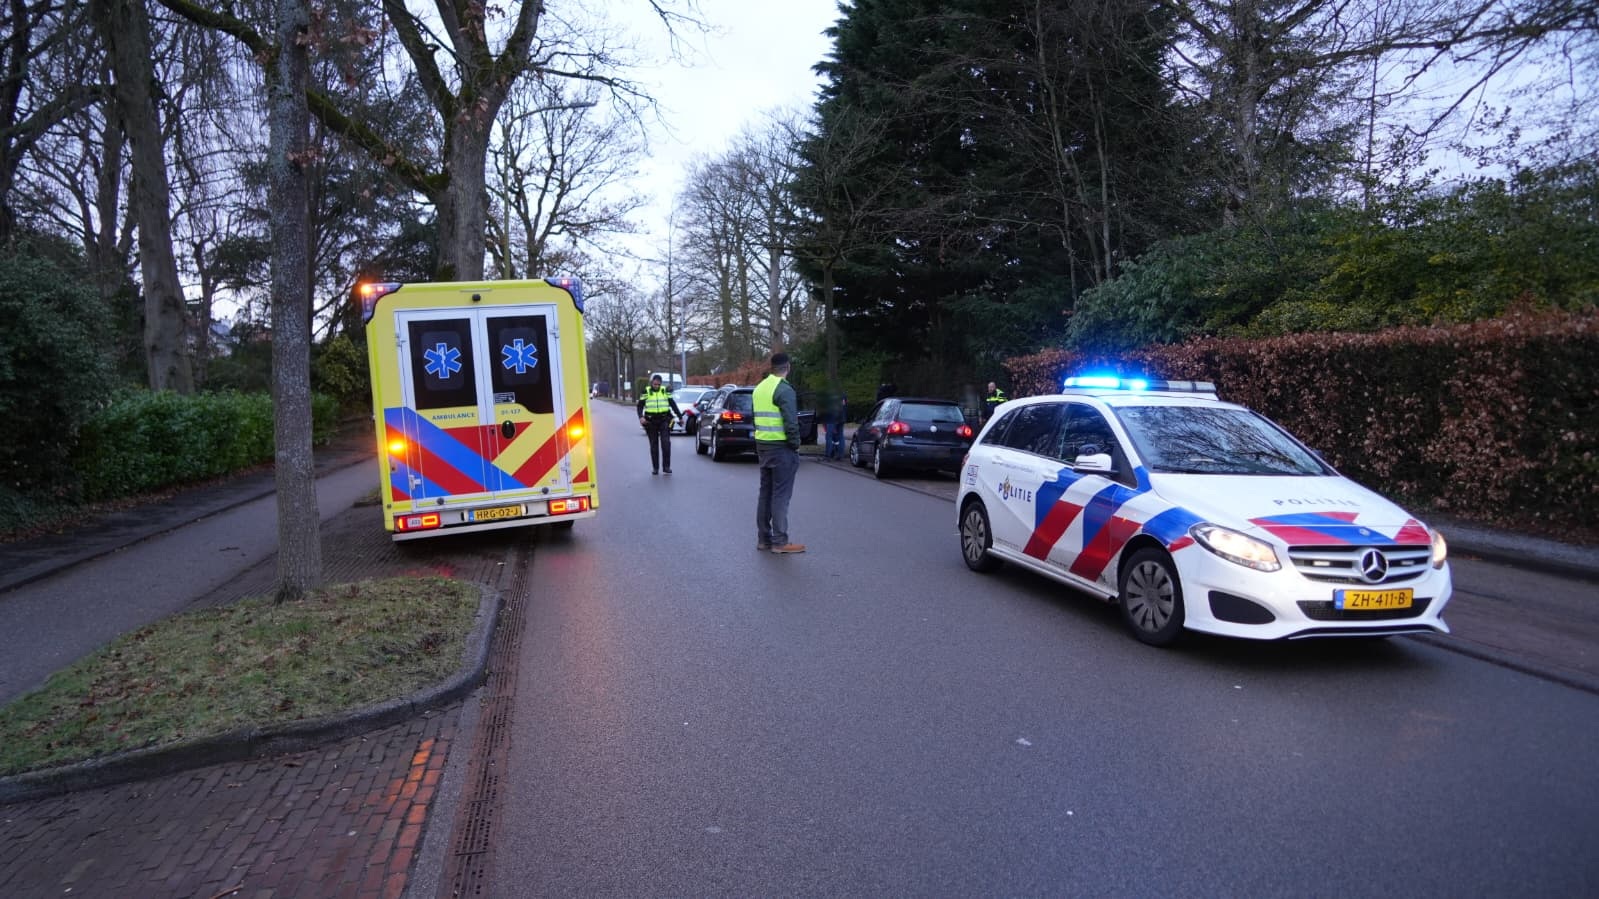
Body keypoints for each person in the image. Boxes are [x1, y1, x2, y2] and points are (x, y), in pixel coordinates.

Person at [753, 353, 804, 553]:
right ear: (788, 367)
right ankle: (780, 542)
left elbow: (755, 419)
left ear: (772, 367)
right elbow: (791, 422)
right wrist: (796, 444)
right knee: (781, 495)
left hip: (763, 446)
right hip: (782, 448)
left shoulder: (759, 388)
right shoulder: (784, 390)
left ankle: (763, 539)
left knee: (765, 494)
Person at [637, 374, 682, 475]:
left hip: (664, 420)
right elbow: (640, 406)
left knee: (666, 444)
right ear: (651, 383)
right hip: (651, 421)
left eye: (658, 384)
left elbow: (672, 404)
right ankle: (655, 468)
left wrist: (680, 416)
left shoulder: (664, 391)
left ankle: (666, 467)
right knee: (654, 445)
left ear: (661, 384)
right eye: (654, 384)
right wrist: (641, 417)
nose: (656, 386)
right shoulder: (646, 391)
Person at [822, 387, 847, 461]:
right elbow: (845, 406)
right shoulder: (842, 394)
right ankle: (840, 455)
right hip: (841, 417)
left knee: (828, 436)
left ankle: (828, 455)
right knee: (840, 436)